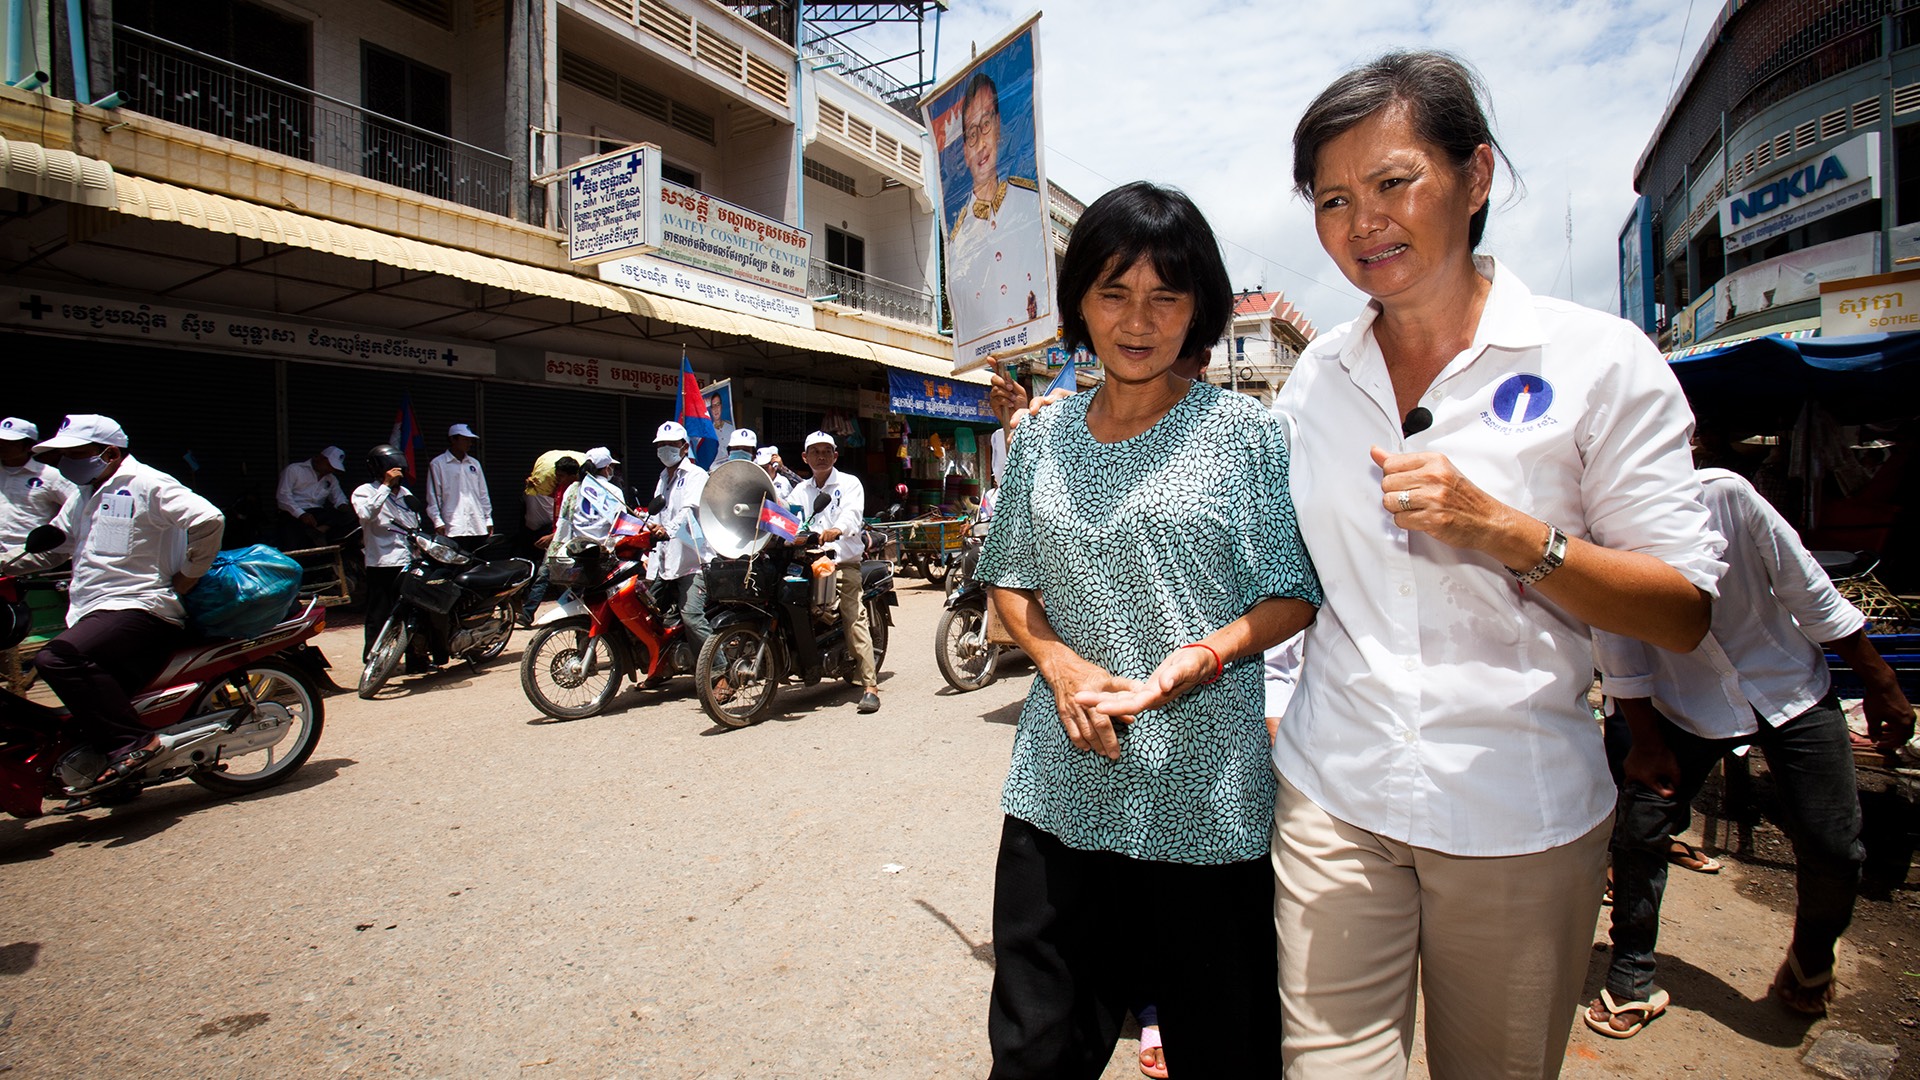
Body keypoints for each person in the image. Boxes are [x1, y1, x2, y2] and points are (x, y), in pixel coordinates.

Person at [1269, 52, 1726, 1079]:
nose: (1362, 222)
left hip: (1517, 815)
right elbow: (1290, 572)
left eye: (1393, 184)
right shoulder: (1315, 380)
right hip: (1332, 795)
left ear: (1475, 178)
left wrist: (1511, 534)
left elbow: (1684, 610)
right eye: (1333, 200)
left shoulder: (1599, 363)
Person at [976, 181, 1321, 1078]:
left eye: (1166, 294)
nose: (1138, 320)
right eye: (1113, 292)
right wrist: (1056, 663)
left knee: (1225, 1055)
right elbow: (1009, 584)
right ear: (1079, 303)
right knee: (1034, 1052)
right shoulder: (1042, 442)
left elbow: (1291, 596)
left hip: (1206, 803)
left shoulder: (1247, 435)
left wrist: (1199, 659)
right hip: (1061, 794)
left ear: (1199, 305)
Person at [1586, 467, 1915, 1037]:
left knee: (1834, 845)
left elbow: (1807, 589)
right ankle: (1631, 971)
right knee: (1641, 832)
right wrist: (1644, 737)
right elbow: (1615, 639)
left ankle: (1812, 959)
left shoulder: (1725, 496)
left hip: (1788, 687)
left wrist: (1880, 679)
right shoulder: (1594, 528)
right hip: (1676, 703)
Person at [31, 414, 224, 797]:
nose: (66, 462)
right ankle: (117, 778)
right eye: (62, 455)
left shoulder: (147, 483)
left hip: (140, 606)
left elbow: (208, 519)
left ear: (109, 452)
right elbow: (59, 546)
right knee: (90, 703)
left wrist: (188, 576)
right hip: (93, 610)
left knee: (57, 658)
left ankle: (137, 744)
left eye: (76, 453)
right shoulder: (83, 494)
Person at [947, 71, 1048, 343]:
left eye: (987, 123)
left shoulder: (1030, 206)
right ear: (964, 152)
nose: (981, 143)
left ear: (1000, 126)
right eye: (971, 134)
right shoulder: (958, 242)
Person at [790, 431, 883, 715]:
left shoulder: (849, 483)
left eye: (826, 451)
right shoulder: (799, 491)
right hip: (808, 562)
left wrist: (836, 530)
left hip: (841, 562)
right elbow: (791, 517)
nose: (821, 455)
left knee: (853, 615)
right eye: (814, 451)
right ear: (805, 457)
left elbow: (853, 514)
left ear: (835, 455)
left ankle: (870, 686)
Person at [352, 443, 423, 662]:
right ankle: (374, 660)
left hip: (407, 560)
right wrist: (385, 486)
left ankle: (415, 658)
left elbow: (415, 520)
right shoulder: (365, 492)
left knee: (412, 611)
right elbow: (366, 515)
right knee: (379, 614)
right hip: (382, 563)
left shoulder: (405, 493)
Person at [649, 421, 711, 651]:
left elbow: (688, 511)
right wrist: (651, 528)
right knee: (646, 614)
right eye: (661, 444)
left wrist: (667, 530)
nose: (665, 449)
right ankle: (661, 668)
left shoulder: (696, 475)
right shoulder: (663, 477)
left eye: (671, 444)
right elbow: (658, 511)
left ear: (684, 447)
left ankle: (718, 671)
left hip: (692, 560)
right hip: (666, 561)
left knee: (692, 617)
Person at [0, 416, 80, 572]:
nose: (2, 446)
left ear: (29, 446)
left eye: (10, 443)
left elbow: (78, 507)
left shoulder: (49, 476)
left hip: (29, 558)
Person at [522, 456, 582, 625]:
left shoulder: (578, 492)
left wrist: (552, 537)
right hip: (558, 541)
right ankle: (528, 613)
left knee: (571, 582)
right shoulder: (560, 489)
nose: (559, 479)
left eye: (562, 476)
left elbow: (571, 520)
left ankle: (572, 615)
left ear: (572, 475)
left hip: (570, 542)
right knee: (545, 574)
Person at [425, 423, 492, 549]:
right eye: (465, 439)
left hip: (477, 524)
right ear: (453, 439)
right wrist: (437, 521)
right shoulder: (438, 464)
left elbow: (483, 494)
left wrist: (488, 519)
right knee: (456, 565)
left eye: (470, 440)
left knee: (478, 564)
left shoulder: (474, 464)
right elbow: (433, 496)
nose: (469, 443)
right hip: (453, 526)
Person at [274, 446, 353, 547]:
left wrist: (345, 509)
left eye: (333, 468)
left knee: (347, 516)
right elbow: (283, 496)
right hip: (293, 513)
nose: (330, 470)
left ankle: (319, 531)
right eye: (329, 465)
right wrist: (301, 514)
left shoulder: (331, 479)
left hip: (317, 514)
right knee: (293, 543)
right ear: (319, 458)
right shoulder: (294, 469)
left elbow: (339, 498)